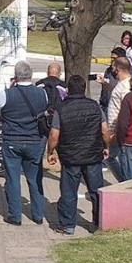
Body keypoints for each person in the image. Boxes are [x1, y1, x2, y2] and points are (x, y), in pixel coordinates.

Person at [46, 75, 109, 235]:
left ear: (68, 90)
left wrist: (50, 152)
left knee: (69, 192)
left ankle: (68, 225)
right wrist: (106, 146)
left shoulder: (61, 108)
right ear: (84, 89)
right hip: (93, 156)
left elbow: (54, 135)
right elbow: (104, 130)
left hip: (70, 157)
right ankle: (98, 223)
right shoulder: (95, 106)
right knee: (96, 191)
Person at [0, 61, 48, 226]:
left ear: (15, 77)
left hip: (12, 140)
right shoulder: (42, 93)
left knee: (13, 179)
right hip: (34, 140)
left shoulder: (7, 94)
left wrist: (11, 88)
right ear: (30, 75)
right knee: (34, 178)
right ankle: (38, 215)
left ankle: (15, 215)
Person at [105, 57, 132, 182]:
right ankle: (124, 182)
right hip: (116, 130)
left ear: (117, 69)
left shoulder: (126, 86)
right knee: (109, 157)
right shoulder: (121, 85)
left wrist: (116, 133)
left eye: (113, 68)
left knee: (116, 158)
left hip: (119, 132)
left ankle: (124, 183)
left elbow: (125, 111)